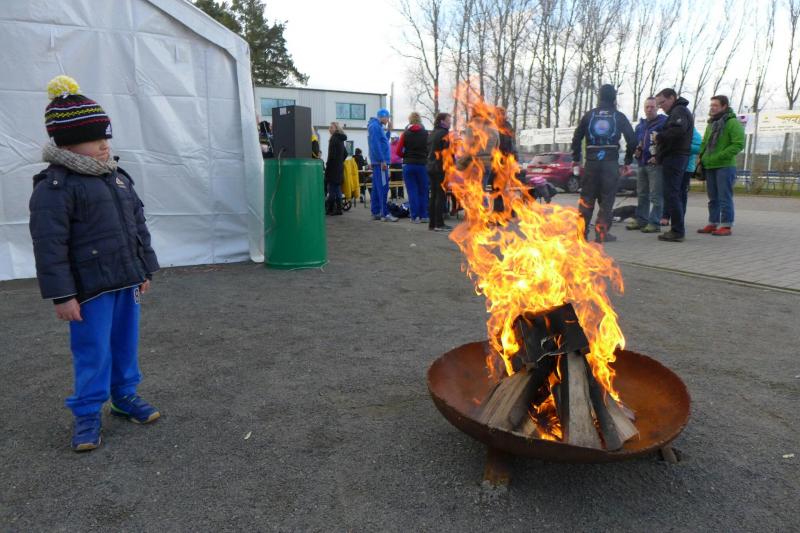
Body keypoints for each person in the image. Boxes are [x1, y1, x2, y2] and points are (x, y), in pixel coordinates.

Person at [29, 75, 160, 452]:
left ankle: (124, 396)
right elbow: (49, 246)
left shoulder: (118, 178)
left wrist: (143, 269)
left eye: (106, 137)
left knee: (125, 343)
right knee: (93, 351)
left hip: (126, 281)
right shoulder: (54, 187)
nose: (105, 145)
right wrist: (63, 295)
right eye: (94, 139)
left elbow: (137, 226)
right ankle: (87, 412)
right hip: (89, 291)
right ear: (67, 143)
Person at [571, 84, 636, 243]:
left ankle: (581, 233)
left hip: (591, 163)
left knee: (587, 199)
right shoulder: (618, 116)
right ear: (614, 98)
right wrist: (627, 160)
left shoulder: (589, 115)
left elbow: (576, 137)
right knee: (607, 200)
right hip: (610, 162)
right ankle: (601, 233)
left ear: (599, 97)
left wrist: (576, 158)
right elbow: (632, 140)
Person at [696, 95, 745, 236]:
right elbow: (704, 142)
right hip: (709, 165)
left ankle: (726, 225)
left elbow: (738, 144)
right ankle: (713, 223)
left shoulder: (732, 122)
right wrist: (701, 156)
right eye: (711, 105)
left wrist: (720, 156)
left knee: (724, 197)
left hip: (725, 166)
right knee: (713, 198)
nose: (712, 108)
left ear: (724, 106)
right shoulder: (711, 123)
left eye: (715, 105)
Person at [654, 88, 694, 242]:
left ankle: (677, 231)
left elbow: (678, 130)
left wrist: (660, 137)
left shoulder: (679, 111)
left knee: (672, 194)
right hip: (676, 156)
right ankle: (677, 229)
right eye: (659, 104)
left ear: (672, 98)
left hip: (675, 157)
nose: (661, 107)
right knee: (674, 193)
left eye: (662, 102)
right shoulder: (677, 112)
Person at [627, 97, 666, 233]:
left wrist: (658, 156)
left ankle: (654, 222)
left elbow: (668, 143)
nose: (649, 109)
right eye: (647, 107)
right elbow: (636, 143)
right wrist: (636, 150)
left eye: (652, 107)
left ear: (657, 108)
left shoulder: (663, 123)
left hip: (656, 165)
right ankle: (641, 220)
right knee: (642, 194)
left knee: (656, 195)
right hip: (642, 163)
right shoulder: (640, 126)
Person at [396, 112, 430, 223]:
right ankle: (424, 216)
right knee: (423, 191)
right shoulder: (426, 134)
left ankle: (415, 217)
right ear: (420, 120)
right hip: (422, 165)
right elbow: (430, 149)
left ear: (410, 120)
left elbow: (398, 151)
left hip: (409, 165)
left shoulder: (405, 134)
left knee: (412, 191)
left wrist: (405, 156)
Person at [367, 108, 398, 221]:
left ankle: (376, 211)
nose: (388, 120)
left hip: (378, 162)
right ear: (383, 116)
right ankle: (385, 214)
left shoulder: (377, 126)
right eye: (388, 117)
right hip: (380, 163)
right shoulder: (375, 127)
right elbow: (376, 145)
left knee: (376, 188)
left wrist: (388, 131)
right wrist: (382, 160)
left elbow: (383, 141)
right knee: (383, 187)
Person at [427, 112, 453, 231]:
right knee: (440, 195)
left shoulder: (432, 133)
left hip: (431, 167)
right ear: (442, 121)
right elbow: (448, 153)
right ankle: (439, 224)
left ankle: (432, 224)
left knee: (433, 195)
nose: (450, 122)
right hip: (440, 167)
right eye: (448, 120)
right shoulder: (445, 134)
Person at [324, 122, 347, 216]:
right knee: (337, 189)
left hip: (333, 168)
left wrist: (328, 166)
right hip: (339, 167)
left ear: (336, 129)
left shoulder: (333, 139)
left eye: (331, 127)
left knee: (332, 189)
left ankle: (330, 209)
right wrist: (340, 161)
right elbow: (345, 153)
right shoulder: (340, 139)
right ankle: (339, 209)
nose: (329, 129)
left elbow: (331, 156)